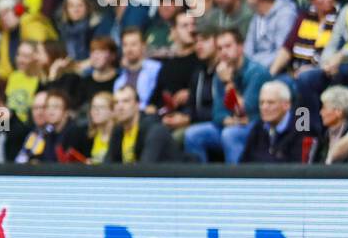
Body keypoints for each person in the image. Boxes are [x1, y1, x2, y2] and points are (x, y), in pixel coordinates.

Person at [183, 28, 270, 164]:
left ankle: (236, 181)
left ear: (240, 47)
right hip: (232, 125)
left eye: (228, 46)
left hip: (256, 129)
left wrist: (228, 82)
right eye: (219, 48)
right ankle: (199, 182)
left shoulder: (256, 73)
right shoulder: (222, 72)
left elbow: (243, 110)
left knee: (230, 134)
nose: (224, 52)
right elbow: (217, 113)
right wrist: (229, 121)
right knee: (192, 134)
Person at [105, 84, 177, 163]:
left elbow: (145, 168)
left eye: (126, 101)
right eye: (116, 102)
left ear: (137, 105)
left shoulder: (154, 129)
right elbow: (107, 165)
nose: (120, 107)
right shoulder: (117, 131)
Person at [240, 80, 304, 162]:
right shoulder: (257, 128)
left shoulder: (300, 130)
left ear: (286, 105)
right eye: (261, 103)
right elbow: (243, 164)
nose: (264, 107)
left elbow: (299, 170)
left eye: (271, 103)